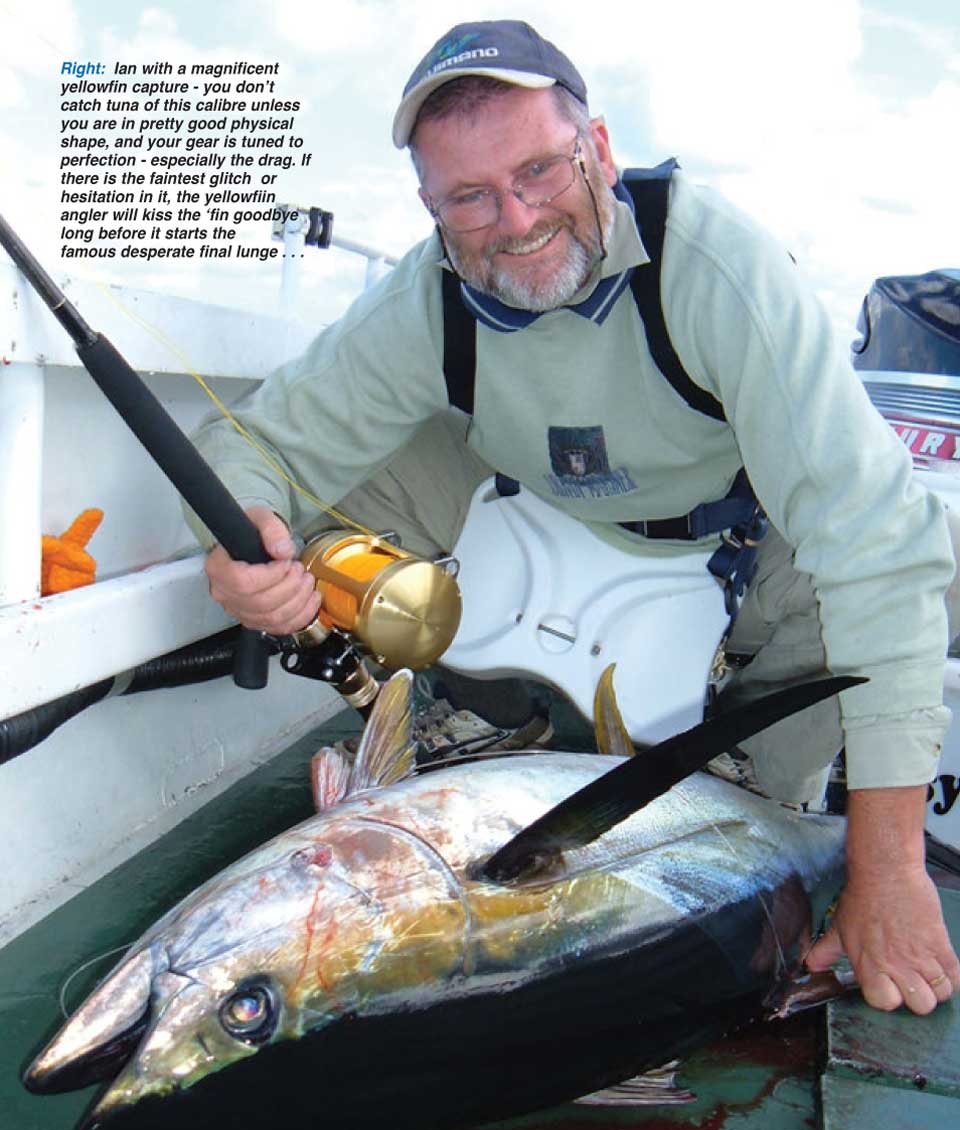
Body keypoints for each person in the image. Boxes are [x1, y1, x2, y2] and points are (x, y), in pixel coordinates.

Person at [191, 20, 960, 1015]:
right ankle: (480, 714)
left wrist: (890, 866)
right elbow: (254, 441)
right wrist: (243, 536)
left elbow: (878, 547)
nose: (513, 219)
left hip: (733, 530)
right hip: (545, 505)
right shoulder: (428, 294)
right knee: (317, 506)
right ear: (430, 210)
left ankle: (754, 795)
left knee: (892, 559)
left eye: (541, 171)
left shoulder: (714, 264)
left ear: (597, 147)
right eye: (467, 197)